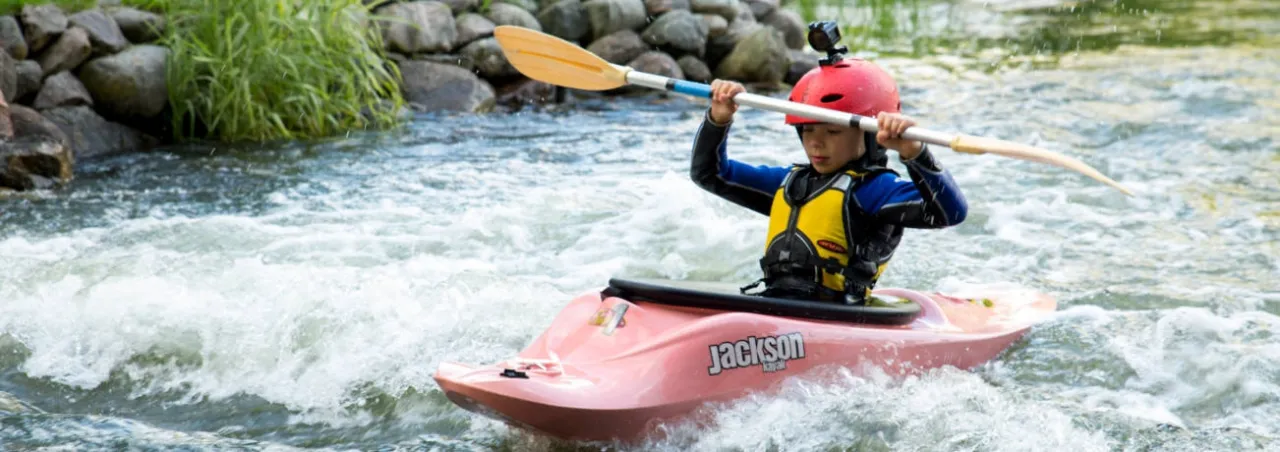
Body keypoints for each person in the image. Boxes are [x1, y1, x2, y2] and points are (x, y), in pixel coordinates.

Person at [689, 57, 968, 306]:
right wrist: (718, 119)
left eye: (832, 131)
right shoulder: (787, 183)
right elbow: (710, 174)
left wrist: (915, 152)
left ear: (870, 138)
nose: (815, 143)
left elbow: (949, 213)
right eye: (807, 129)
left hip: (837, 314)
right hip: (777, 303)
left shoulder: (873, 190)